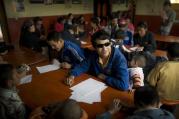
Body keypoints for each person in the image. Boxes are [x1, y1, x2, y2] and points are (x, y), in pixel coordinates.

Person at [96, 86, 175, 119]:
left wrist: (110, 111)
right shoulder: (169, 115)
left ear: (138, 103)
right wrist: (133, 107)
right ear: (158, 103)